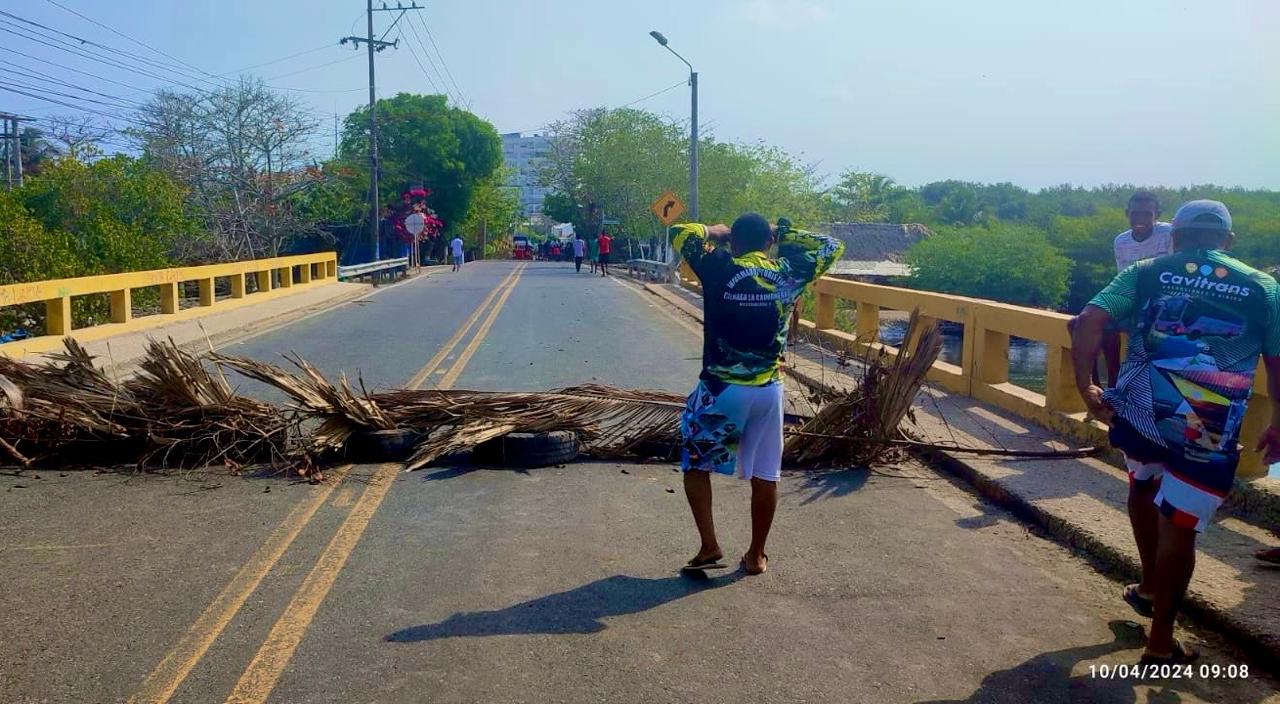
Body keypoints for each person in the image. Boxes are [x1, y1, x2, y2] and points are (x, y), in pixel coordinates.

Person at [1070, 200, 1280, 665]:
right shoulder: (1263, 286)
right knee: (1180, 525)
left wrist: (1086, 385)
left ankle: (1147, 585)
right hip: (1208, 423)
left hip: (1141, 408)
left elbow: (1087, 321)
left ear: (1177, 236)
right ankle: (1160, 639)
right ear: (1228, 240)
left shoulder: (1146, 271)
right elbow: (1278, 362)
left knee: (1143, 485)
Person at [670, 214, 844, 576]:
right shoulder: (790, 272)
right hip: (768, 391)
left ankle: (709, 544)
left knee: (697, 465)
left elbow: (679, 233)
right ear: (768, 243)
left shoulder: (718, 265)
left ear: (733, 242)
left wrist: (716, 232)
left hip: (721, 390)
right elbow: (832, 246)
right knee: (766, 474)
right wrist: (785, 233)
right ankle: (756, 555)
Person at [1100, 191, 1174, 383]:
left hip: (1165, 301)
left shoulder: (1169, 233)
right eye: (1135, 214)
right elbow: (1123, 277)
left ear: (1157, 215)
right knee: (1096, 325)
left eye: (1147, 214)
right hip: (1134, 298)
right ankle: (1111, 382)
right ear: (1127, 213)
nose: (1140, 219)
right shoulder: (1121, 241)